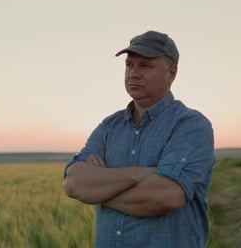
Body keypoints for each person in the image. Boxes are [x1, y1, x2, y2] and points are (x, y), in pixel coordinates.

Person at [63, 30, 215, 248]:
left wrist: (99, 190)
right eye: (129, 65)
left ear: (171, 74)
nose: (134, 73)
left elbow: (166, 196)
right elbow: (74, 183)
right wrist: (140, 174)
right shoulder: (109, 127)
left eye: (145, 65)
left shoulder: (190, 126)